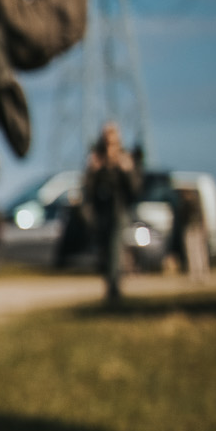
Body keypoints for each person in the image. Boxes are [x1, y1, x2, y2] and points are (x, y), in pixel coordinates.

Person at [80, 122, 142, 303]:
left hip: (119, 210)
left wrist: (128, 171)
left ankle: (114, 289)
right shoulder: (97, 159)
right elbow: (88, 190)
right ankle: (111, 286)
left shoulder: (124, 158)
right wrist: (92, 171)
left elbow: (135, 189)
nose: (110, 141)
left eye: (113, 136)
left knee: (115, 248)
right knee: (104, 251)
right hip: (101, 212)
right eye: (107, 136)